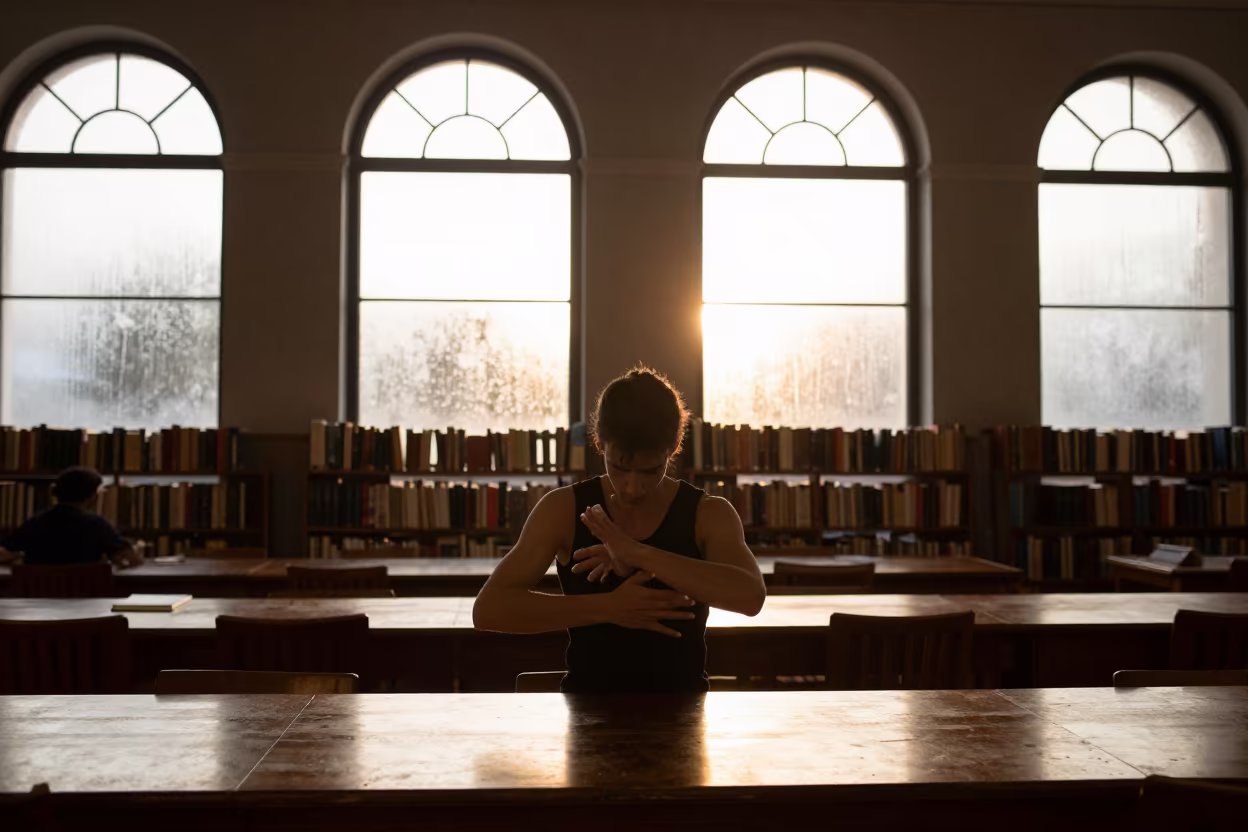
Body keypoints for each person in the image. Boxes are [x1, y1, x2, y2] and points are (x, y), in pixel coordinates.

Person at [473, 366, 766, 693]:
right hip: (585, 709)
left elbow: (750, 597)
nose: (632, 487)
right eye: (620, 467)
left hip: (684, 710)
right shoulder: (562, 508)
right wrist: (610, 607)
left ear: (674, 446)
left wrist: (637, 553)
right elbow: (489, 610)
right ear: (599, 443)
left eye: (651, 470)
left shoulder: (708, 513)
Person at [0, 466, 141, 567]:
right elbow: (130, 559)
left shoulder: (35, 523)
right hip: (87, 595)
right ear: (92, 496)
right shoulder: (97, 524)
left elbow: (5, 552)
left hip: (37, 595)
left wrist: (19, 557)